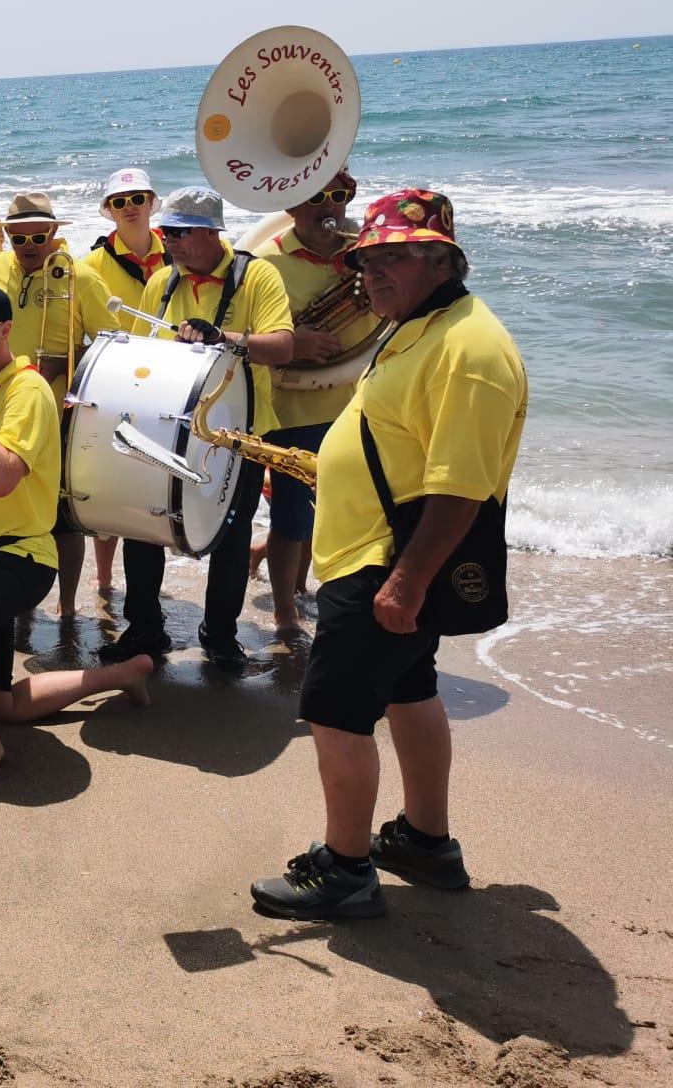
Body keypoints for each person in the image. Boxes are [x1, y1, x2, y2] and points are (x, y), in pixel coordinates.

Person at [251, 189, 526, 919]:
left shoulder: (468, 346)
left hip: (386, 563)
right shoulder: (419, 326)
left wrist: (406, 584)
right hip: (377, 556)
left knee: (337, 714)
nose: (372, 274)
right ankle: (424, 842)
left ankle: (345, 871)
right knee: (410, 693)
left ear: (442, 258)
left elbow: (462, 485)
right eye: (365, 261)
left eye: (393, 256)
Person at [0, 284, 153, 787]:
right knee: (1, 704)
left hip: (22, 555)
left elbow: (2, 479)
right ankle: (122, 675)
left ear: (3, 331)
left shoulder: (28, 389)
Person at [100, 185, 293, 670]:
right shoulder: (161, 282)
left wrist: (223, 338)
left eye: (181, 233)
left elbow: (284, 346)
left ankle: (221, 635)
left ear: (212, 233)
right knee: (143, 527)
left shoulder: (258, 276)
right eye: (167, 233)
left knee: (230, 535)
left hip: (239, 432)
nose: (171, 242)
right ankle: (144, 629)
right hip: (170, 428)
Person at [0, 191, 120, 619]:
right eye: (19, 239)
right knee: (3, 508)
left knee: (61, 515)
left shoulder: (81, 277)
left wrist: (63, 365)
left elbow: (111, 346)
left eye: (39, 237)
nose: (30, 247)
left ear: (54, 233)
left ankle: (68, 605)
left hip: (59, 415)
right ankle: (14, 605)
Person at [255, 169, 366, 634]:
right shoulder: (265, 261)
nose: (331, 206)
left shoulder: (366, 250)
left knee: (349, 510)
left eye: (340, 195)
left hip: (357, 401)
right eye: (317, 197)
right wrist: (294, 343)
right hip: (293, 407)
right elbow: (250, 337)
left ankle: (304, 590)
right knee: (291, 515)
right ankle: (284, 613)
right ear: (293, 205)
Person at [80, 168, 169, 604]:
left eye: (138, 198)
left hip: (166, 384)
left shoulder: (178, 253)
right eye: (120, 201)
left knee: (153, 486)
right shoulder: (90, 264)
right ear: (108, 212)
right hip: (114, 384)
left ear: (153, 203)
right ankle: (101, 580)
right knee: (109, 484)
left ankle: (145, 585)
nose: (130, 208)